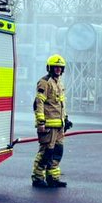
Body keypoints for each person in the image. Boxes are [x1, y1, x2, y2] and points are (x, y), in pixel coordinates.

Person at [32, 54, 70, 189]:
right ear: (50, 68)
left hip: (59, 126)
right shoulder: (44, 82)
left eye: (60, 67)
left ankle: (53, 178)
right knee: (46, 152)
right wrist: (41, 122)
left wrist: (65, 119)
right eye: (55, 67)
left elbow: (61, 104)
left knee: (57, 152)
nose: (58, 70)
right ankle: (37, 178)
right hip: (48, 125)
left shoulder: (59, 83)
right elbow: (39, 103)